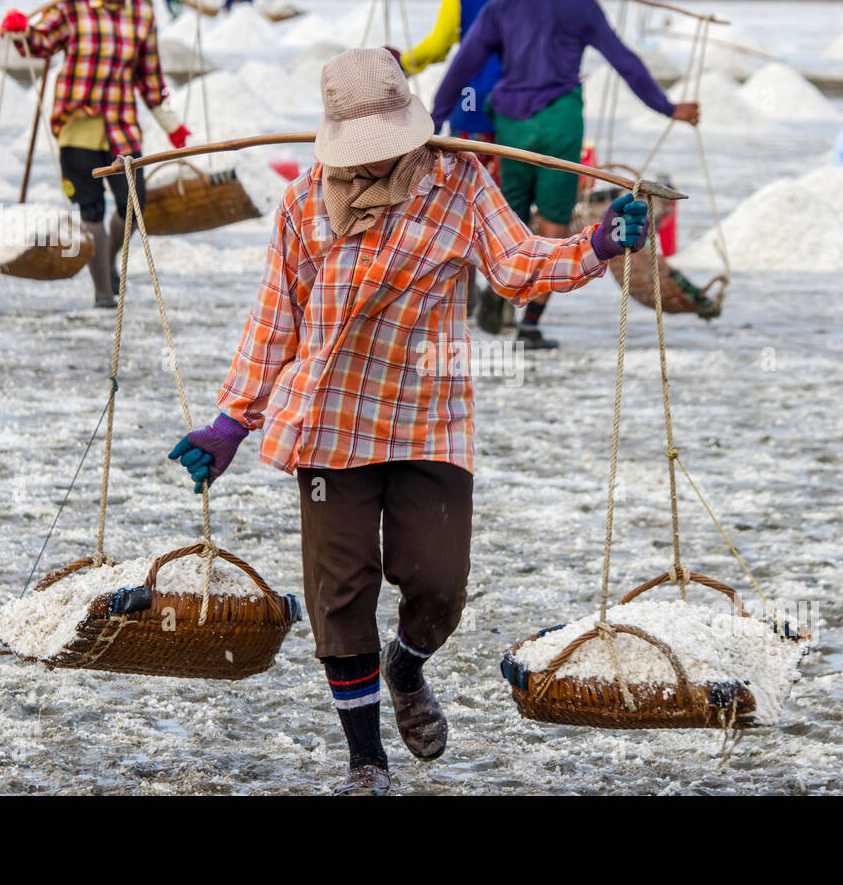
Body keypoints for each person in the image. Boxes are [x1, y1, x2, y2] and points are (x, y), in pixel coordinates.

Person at [166, 47, 653, 796]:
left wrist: (596, 246)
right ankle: (366, 758)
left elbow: (519, 266)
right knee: (341, 594)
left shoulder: (458, 185)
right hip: (329, 422)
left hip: (428, 417)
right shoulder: (304, 205)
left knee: (438, 582)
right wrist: (232, 421)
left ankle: (408, 666)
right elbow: (275, 321)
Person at [432, 0, 699, 350]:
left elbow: (461, 67)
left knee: (509, 220)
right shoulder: (579, 4)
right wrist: (668, 108)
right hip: (559, 124)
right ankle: (530, 325)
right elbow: (624, 60)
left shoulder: (501, 8)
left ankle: (499, 295)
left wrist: (432, 120)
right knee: (555, 222)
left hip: (513, 126)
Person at [0, 0, 191, 309]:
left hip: (121, 124)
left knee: (133, 205)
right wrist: (20, 28)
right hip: (78, 124)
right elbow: (39, 44)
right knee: (91, 211)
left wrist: (172, 123)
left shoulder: (142, 15)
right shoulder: (73, 9)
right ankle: (103, 293)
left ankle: (106, 259)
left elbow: (150, 77)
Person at [393, 0, 516, 321]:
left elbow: (440, 44)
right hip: (525, 111)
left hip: (470, 107)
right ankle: (511, 290)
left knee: (463, 203)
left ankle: (463, 297)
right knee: (511, 204)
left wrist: (401, 62)